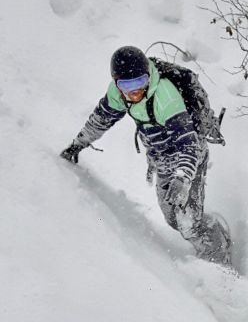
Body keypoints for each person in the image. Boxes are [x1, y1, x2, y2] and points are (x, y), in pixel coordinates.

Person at [60, 46, 231, 265]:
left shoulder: (165, 97)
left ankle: (219, 260)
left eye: (139, 83)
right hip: (162, 160)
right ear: (117, 83)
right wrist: (79, 143)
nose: (134, 92)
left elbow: (188, 145)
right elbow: (100, 120)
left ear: (148, 77)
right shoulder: (118, 95)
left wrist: (182, 178)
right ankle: (212, 229)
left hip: (189, 159)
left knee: (188, 223)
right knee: (172, 219)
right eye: (126, 85)